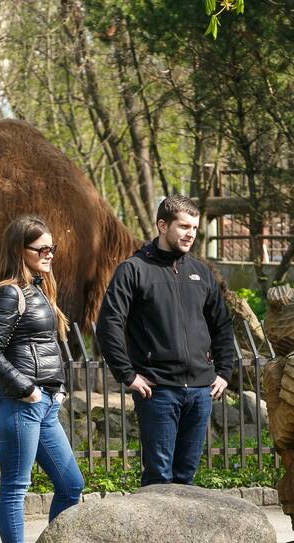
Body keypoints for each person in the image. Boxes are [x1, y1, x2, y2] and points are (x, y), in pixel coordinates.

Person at [0, 214, 84, 543]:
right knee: (16, 487)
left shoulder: (40, 288)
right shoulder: (9, 292)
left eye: (51, 248)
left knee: (72, 484)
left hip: (44, 404)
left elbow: (45, 348)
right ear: (19, 250)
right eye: (41, 248)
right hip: (20, 403)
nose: (49, 254)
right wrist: (28, 390)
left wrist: (55, 390)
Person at [96, 194, 235, 486]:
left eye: (195, 228)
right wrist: (128, 375)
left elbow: (222, 324)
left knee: (186, 478)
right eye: (184, 227)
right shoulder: (133, 270)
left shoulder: (201, 273)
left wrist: (224, 371)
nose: (190, 234)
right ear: (162, 225)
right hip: (158, 391)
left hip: (200, 391)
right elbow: (109, 325)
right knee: (159, 478)